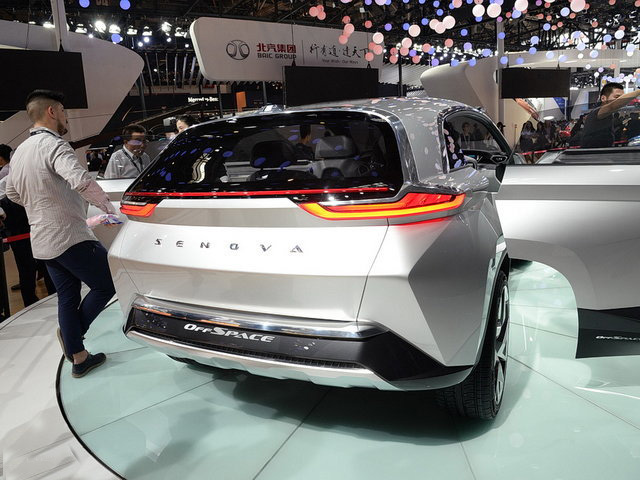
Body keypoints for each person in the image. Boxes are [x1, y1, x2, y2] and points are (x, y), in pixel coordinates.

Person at [6, 89, 116, 378]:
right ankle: (72, 339)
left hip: (42, 240)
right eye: (64, 112)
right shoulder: (55, 145)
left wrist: (41, 204)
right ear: (52, 112)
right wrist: (108, 208)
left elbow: (11, 193)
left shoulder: (20, 152)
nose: (66, 118)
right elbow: (80, 181)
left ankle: (79, 358)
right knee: (107, 284)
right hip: (69, 236)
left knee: (67, 297)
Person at [581, 82, 640, 148]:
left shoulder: (608, 115)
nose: (621, 100)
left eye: (622, 97)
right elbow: (612, 106)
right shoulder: (597, 112)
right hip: (592, 153)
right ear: (603, 98)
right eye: (617, 97)